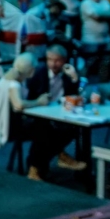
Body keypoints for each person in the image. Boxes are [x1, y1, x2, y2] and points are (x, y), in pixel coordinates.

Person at [23, 44, 87, 180]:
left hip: (60, 114)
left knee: (75, 127)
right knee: (45, 130)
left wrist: (75, 77)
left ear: (64, 60)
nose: (53, 63)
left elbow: (75, 97)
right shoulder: (38, 74)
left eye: (57, 60)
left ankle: (35, 168)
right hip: (37, 116)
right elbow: (30, 98)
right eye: (50, 59)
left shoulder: (67, 74)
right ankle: (57, 157)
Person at [80, 0, 110, 80]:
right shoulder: (86, 3)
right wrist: (105, 14)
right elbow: (96, 16)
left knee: (105, 64)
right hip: (90, 40)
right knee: (90, 65)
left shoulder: (105, 2)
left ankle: (102, 84)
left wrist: (102, 14)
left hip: (106, 40)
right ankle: (85, 86)